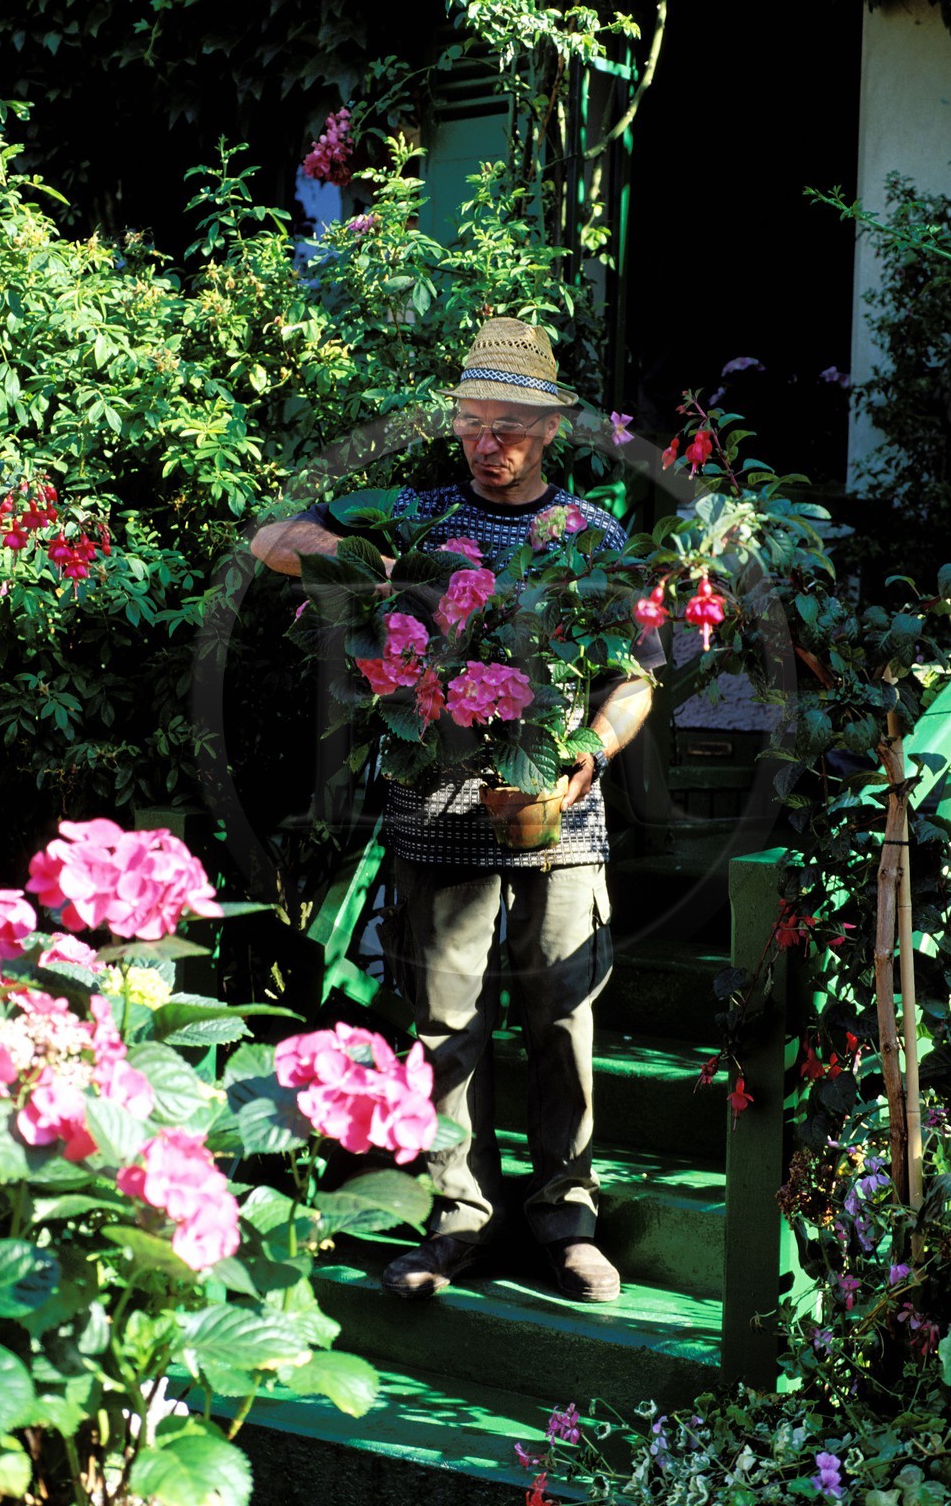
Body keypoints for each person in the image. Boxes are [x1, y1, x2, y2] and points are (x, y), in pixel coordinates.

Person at [250, 316, 662, 1303]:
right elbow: (270, 536)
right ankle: (457, 1221)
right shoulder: (422, 517)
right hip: (436, 816)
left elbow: (637, 679)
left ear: (550, 427)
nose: (490, 442)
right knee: (445, 1032)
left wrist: (589, 754)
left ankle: (567, 1218)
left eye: (510, 424)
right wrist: (379, 570)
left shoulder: (591, 536)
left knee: (562, 1021)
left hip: (556, 820)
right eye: (475, 422)